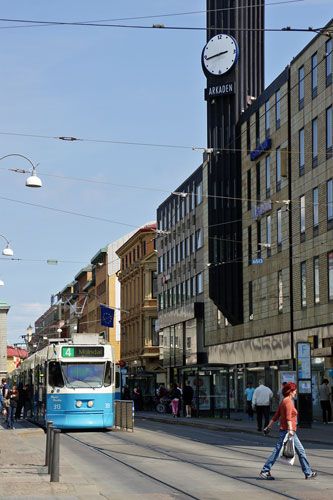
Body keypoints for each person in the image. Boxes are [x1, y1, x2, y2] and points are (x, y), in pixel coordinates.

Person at [260, 382, 317, 480]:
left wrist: (268, 427)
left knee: (297, 451)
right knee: (282, 451)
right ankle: (265, 470)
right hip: (288, 431)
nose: (295, 393)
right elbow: (288, 418)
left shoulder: (284, 401)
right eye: (294, 391)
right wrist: (290, 430)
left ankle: (307, 472)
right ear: (290, 391)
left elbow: (276, 416)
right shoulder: (289, 402)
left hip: (287, 430)